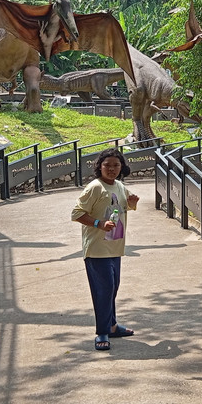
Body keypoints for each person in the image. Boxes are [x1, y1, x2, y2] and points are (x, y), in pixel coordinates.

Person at [70, 147, 140, 351]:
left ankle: (112, 326)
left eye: (116, 165)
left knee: (112, 288)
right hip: (97, 249)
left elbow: (120, 208)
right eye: (107, 165)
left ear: (122, 168)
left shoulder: (119, 186)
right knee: (104, 289)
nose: (111, 169)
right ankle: (102, 331)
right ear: (99, 167)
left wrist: (133, 203)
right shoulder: (94, 187)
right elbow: (76, 213)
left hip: (115, 247)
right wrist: (99, 224)